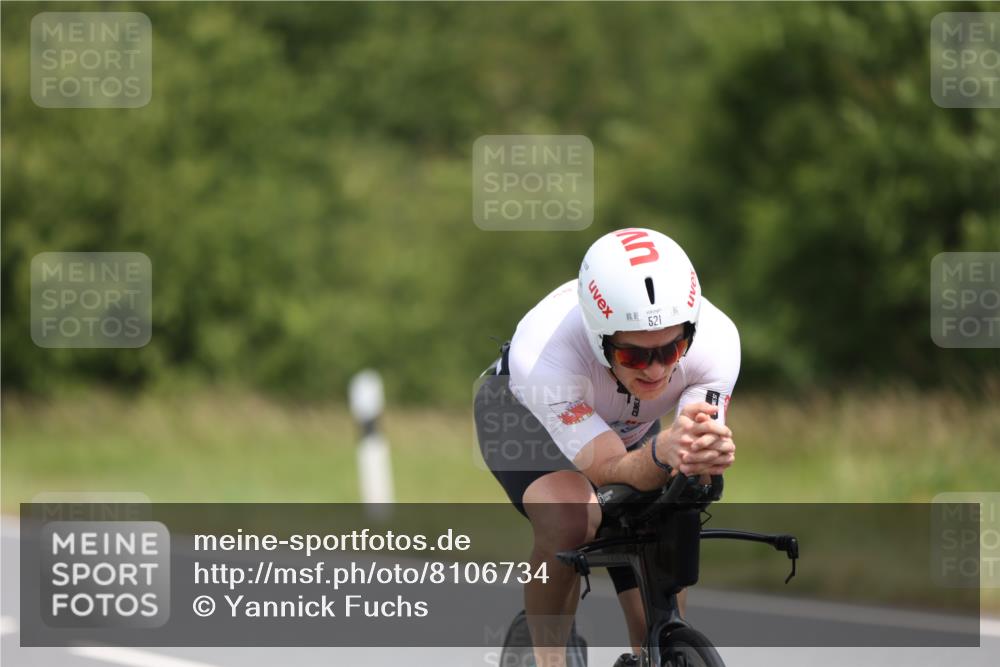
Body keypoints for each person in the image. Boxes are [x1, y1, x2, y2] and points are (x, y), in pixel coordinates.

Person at [474, 228, 740, 667]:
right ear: (601, 338)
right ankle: (548, 658)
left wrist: (701, 457)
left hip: (626, 422)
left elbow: (689, 453)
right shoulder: (544, 353)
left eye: (673, 349)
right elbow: (607, 465)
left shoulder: (718, 341)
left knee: (668, 511)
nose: (657, 371)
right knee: (573, 517)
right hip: (524, 418)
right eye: (635, 356)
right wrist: (662, 453)